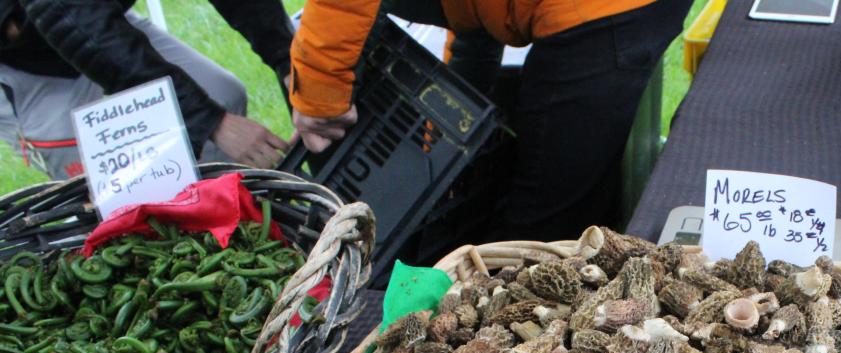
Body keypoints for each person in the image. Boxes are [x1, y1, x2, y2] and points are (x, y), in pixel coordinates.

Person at [289, 0, 692, 241]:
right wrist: (438, 144)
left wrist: (320, 90)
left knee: (543, 220)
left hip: (600, 14)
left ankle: (526, 350)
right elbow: (474, 25)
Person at [0, 0, 295, 179]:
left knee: (223, 96)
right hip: (26, 60)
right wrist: (209, 120)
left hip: (97, 15)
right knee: (115, 184)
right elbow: (65, 16)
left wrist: (286, 57)